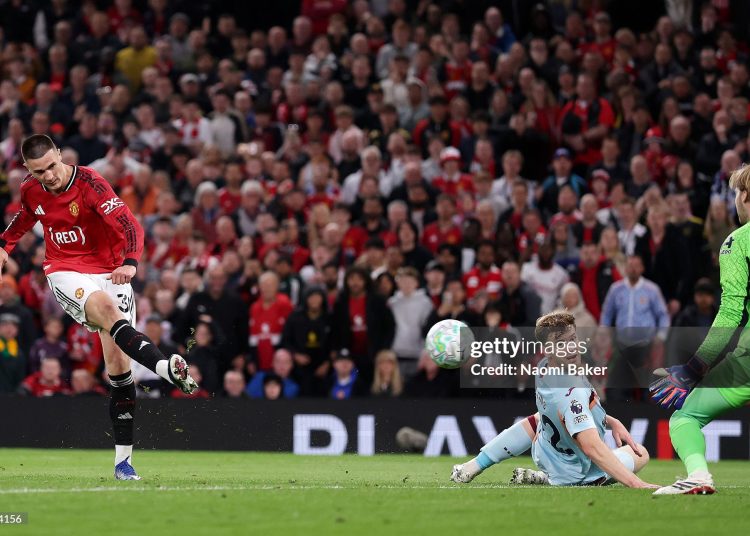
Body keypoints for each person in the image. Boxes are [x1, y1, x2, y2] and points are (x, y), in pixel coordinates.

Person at [0, 135, 197, 480]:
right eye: (39, 171)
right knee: (106, 309)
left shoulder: (91, 183)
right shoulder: (32, 189)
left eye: (51, 166)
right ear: (28, 170)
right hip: (64, 270)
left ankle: (123, 463)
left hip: (112, 271)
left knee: (119, 370)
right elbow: (26, 216)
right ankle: (166, 368)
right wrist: (4, 245)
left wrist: (131, 262)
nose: (48, 176)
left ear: (60, 155)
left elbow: (129, 224)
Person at [451, 310, 656, 488]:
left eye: (573, 339)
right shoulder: (570, 392)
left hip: (548, 448)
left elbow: (569, 411)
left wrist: (611, 422)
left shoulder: (545, 368)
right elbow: (592, 447)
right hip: (574, 469)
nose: (570, 348)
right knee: (642, 453)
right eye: (560, 343)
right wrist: (636, 483)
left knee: (540, 418)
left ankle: (476, 464)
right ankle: (559, 480)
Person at [650, 164, 750, 494]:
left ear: (746, 196)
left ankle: (698, 476)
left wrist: (695, 368)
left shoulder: (738, 243)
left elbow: (731, 313)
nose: (735, 201)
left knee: (685, 418)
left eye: (736, 193)